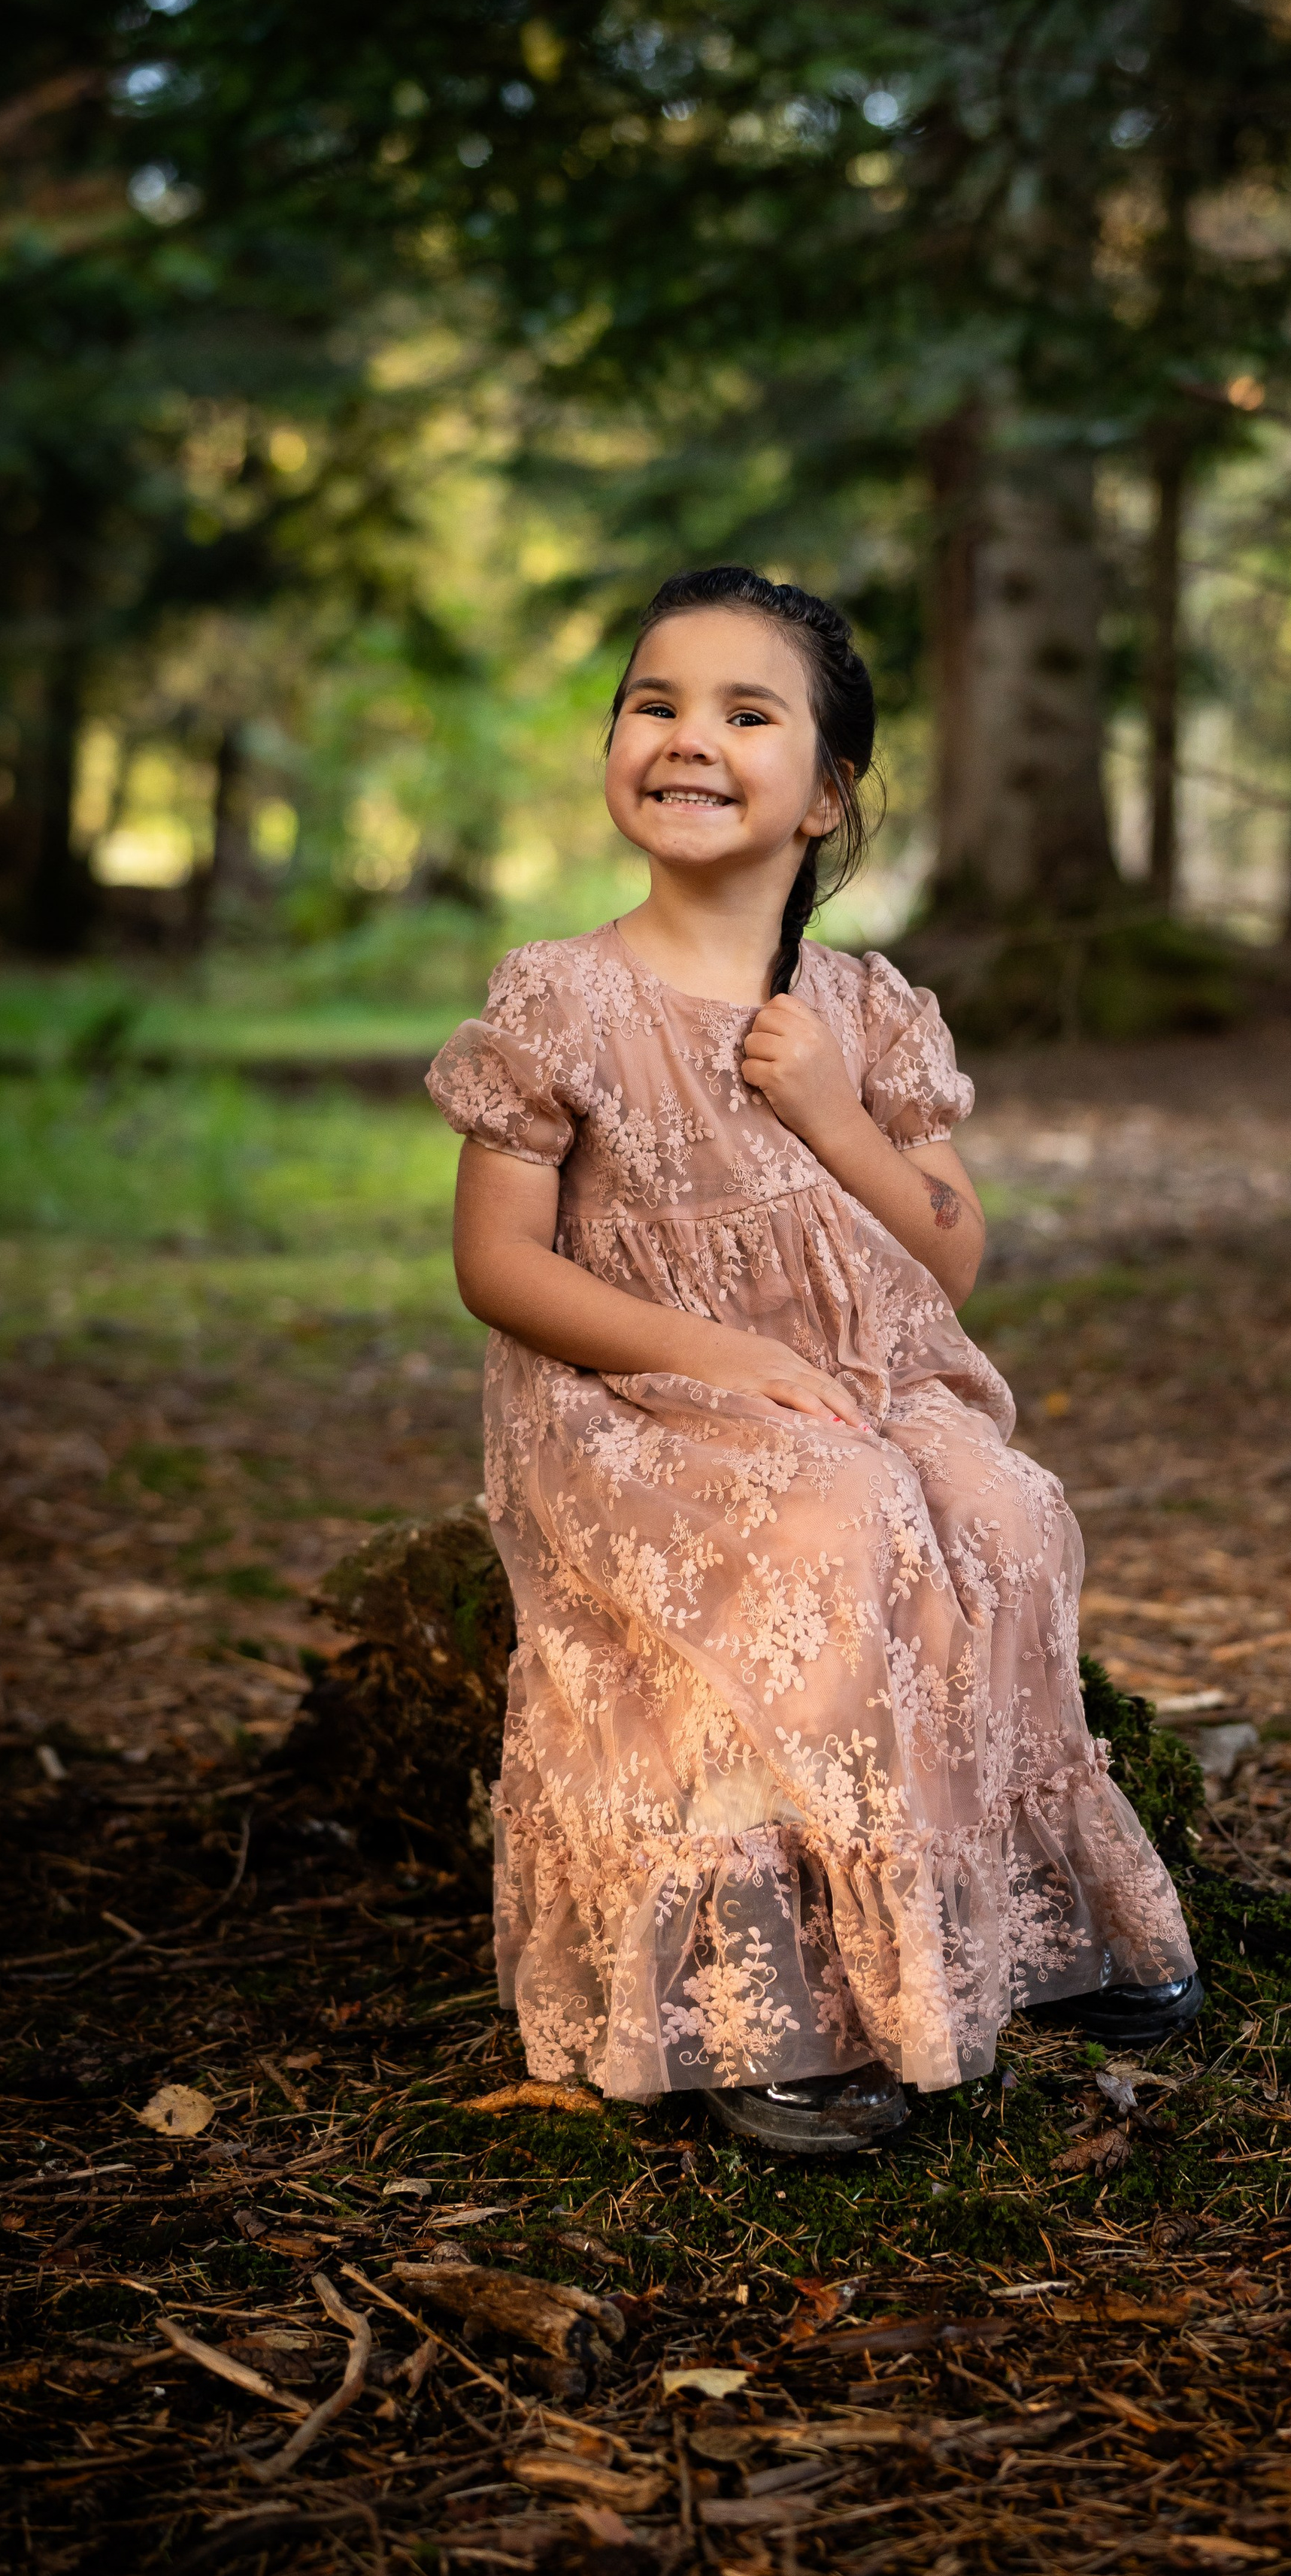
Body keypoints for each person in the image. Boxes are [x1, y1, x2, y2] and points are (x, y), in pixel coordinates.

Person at [427, 564, 1199, 2157]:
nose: (686, 738)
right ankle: (759, 2004)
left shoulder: (868, 1009)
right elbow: (497, 1266)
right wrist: (718, 1354)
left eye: (744, 713)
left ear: (829, 793)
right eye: (654, 703)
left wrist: (834, 1113)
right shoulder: (561, 998)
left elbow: (952, 1256)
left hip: (871, 1377)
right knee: (832, 1527)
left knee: (1001, 1517)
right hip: (638, 1398)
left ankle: (1009, 1930)